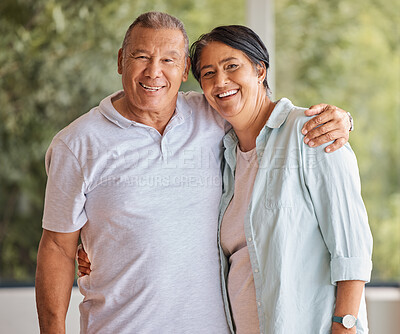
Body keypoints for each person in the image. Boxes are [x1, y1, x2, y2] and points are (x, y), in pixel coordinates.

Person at [36, 12, 353, 334]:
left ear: (184, 69)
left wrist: (342, 119)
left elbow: (266, 113)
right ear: (121, 61)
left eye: (169, 60)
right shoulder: (75, 144)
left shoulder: (212, 114)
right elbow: (57, 248)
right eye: (141, 56)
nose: (154, 72)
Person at [190, 25, 372, 333]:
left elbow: (352, 246)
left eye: (232, 66)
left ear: (259, 70)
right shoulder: (223, 154)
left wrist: (345, 325)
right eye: (208, 73)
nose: (220, 81)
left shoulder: (310, 133)